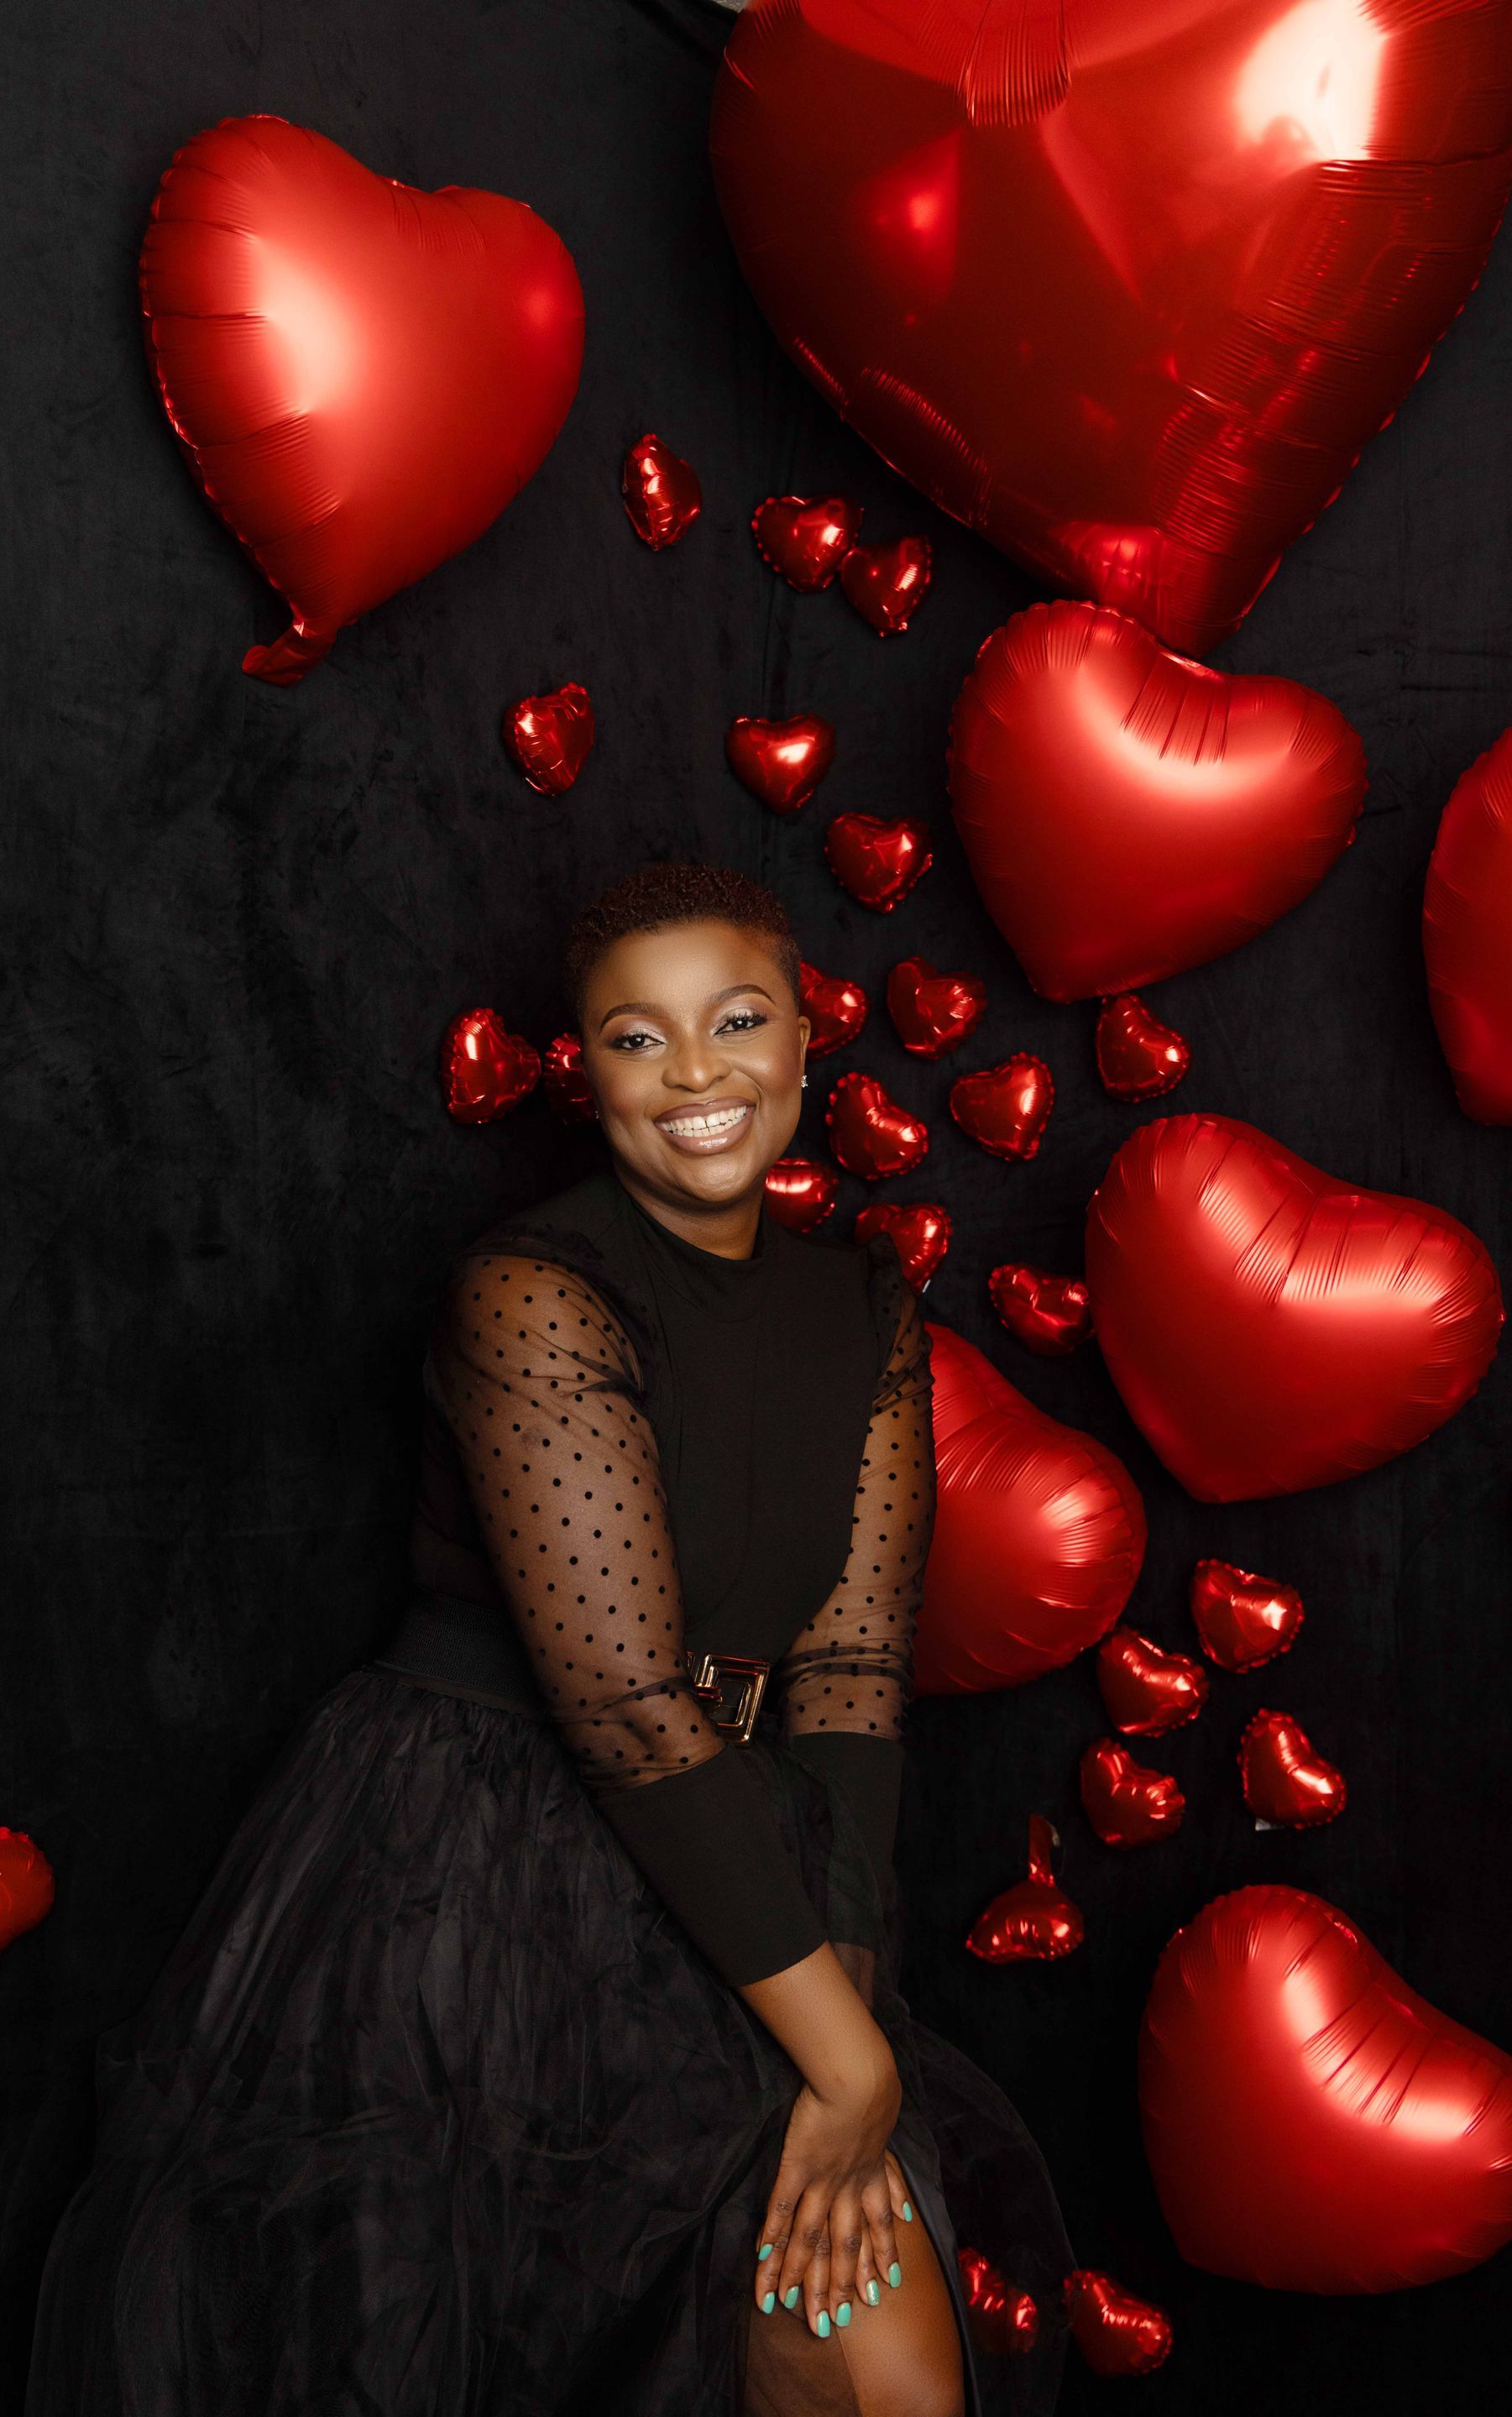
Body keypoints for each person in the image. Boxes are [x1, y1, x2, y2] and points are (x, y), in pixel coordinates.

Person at [26, 865, 1070, 2417]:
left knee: (883, 2372)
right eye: (640, 1040)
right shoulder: (530, 1291)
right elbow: (632, 1710)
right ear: (588, 1081)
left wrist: (844, 2023)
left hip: (751, 1874)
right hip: (468, 1870)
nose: (698, 1074)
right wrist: (848, 2069)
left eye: (736, 1022)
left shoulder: (869, 1310)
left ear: (803, 1043)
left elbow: (849, 1679)